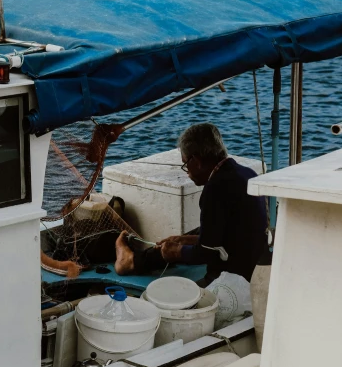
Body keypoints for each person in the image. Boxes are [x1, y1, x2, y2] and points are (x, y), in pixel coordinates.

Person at [115, 123, 268, 286]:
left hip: (234, 279)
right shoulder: (246, 173)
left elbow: (206, 254)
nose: (187, 171)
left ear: (196, 160)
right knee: (191, 235)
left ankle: (131, 261)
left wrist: (176, 252)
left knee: (170, 287)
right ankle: (133, 260)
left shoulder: (215, 188)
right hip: (254, 264)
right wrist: (182, 240)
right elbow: (231, 234)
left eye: (185, 164)